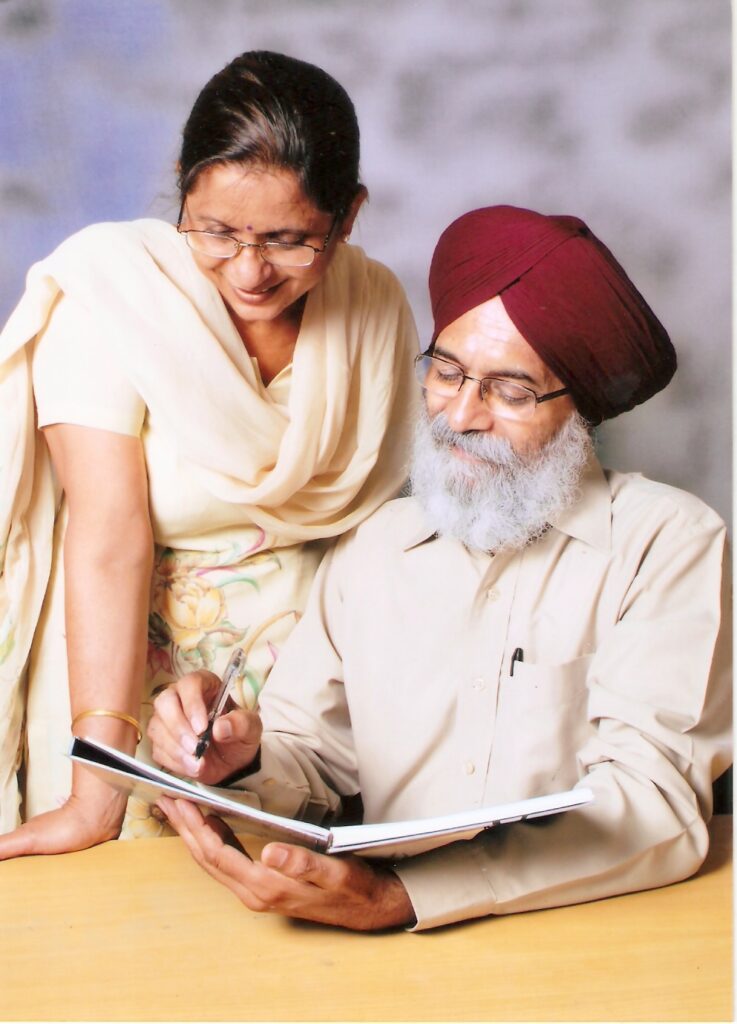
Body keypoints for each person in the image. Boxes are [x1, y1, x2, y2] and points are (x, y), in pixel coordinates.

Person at [153, 205, 730, 931]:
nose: (459, 416)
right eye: (447, 372)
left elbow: (653, 802)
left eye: (510, 392)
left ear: (578, 406)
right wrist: (238, 760)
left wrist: (402, 896)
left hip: (589, 936)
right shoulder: (375, 546)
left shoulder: (666, 542)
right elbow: (312, 762)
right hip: (385, 947)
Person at [0, 51, 418, 854]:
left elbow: (376, 539)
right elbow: (107, 537)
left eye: (289, 240)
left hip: (308, 709)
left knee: (294, 904)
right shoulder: (114, 295)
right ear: (182, 187)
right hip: (121, 690)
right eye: (217, 231)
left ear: (348, 216)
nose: (250, 271)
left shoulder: (372, 307)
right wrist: (97, 790)